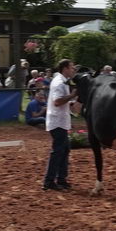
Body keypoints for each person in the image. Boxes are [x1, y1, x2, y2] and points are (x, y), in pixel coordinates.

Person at [43, 59, 78, 191]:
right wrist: (72, 95)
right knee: (58, 151)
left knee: (64, 150)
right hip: (57, 121)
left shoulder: (62, 81)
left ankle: (61, 179)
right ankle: (49, 181)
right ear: (65, 68)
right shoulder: (59, 83)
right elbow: (57, 101)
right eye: (71, 67)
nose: (73, 69)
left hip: (61, 121)